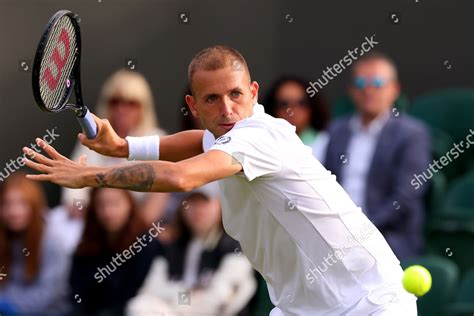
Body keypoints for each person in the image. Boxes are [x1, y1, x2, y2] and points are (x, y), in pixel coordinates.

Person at [23, 45, 418, 315]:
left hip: (368, 302)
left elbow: (180, 177)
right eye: (211, 99)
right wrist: (126, 146)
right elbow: (198, 141)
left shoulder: (262, 135)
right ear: (193, 105)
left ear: (253, 93)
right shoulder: (223, 133)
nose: (227, 109)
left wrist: (92, 174)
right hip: (303, 305)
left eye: (235, 94)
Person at [49, 70, 169, 256]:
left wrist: (123, 222)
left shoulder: (157, 140)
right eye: (115, 102)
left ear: (144, 108)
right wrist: (97, 215)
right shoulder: (92, 139)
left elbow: (154, 207)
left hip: (134, 231)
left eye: (131, 103)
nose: (122, 109)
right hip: (93, 226)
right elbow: (73, 199)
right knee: (58, 225)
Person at [323, 52, 431, 259]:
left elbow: (406, 197)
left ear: (394, 89)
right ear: (352, 90)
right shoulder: (337, 131)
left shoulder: (412, 134)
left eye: (378, 82)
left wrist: (361, 231)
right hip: (335, 237)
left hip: (389, 238)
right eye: (361, 82)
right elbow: (326, 185)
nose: (369, 90)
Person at [127, 191, 256, 316]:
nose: (198, 210)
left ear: (219, 205)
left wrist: (181, 307)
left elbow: (223, 297)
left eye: (205, 203)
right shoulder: (172, 247)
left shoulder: (234, 248)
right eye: (192, 203)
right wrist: (184, 293)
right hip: (173, 310)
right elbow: (150, 289)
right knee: (139, 305)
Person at [69, 187, 163, 316]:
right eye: (101, 205)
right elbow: (76, 291)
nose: (108, 212)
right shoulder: (87, 245)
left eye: (115, 203)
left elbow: (140, 296)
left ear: (130, 204)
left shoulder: (146, 245)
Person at [0, 173, 69, 315]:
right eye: (7, 204)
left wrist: (8, 306)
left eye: (22, 203)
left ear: (35, 205)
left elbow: (47, 294)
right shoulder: (4, 237)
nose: (14, 211)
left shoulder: (53, 241)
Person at [264, 76, 330, 161]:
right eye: (284, 104)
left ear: (312, 107)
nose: (292, 110)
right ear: (272, 109)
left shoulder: (327, 144)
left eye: (301, 103)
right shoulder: (262, 145)